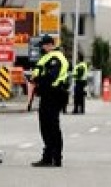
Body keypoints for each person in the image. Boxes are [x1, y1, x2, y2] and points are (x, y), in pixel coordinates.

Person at [30, 34, 69, 167]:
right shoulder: (46, 57)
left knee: (52, 127)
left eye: (43, 45)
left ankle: (56, 157)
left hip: (54, 94)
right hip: (47, 95)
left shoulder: (56, 58)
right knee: (45, 126)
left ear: (50, 45)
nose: (41, 47)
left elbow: (50, 77)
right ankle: (48, 156)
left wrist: (37, 80)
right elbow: (39, 73)